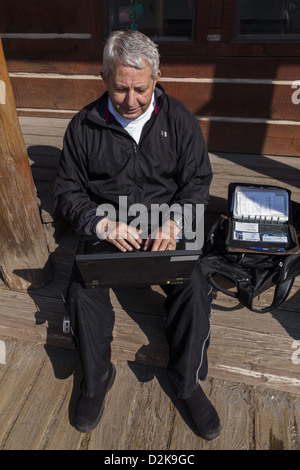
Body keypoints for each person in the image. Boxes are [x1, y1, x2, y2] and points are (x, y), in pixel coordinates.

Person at [54, 29, 221, 440]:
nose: (131, 101)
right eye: (120, 89)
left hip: (167, 225)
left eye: (141, 89)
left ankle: (186, 383)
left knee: (195, 288)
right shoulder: (83, 125)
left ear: (158, 76)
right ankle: (96, 379)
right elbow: (67, 191)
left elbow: (198, 181)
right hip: (110, 228)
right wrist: (98, 222)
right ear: (104, 77)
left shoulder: (180, 119)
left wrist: (178, 220)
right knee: (81, 291)